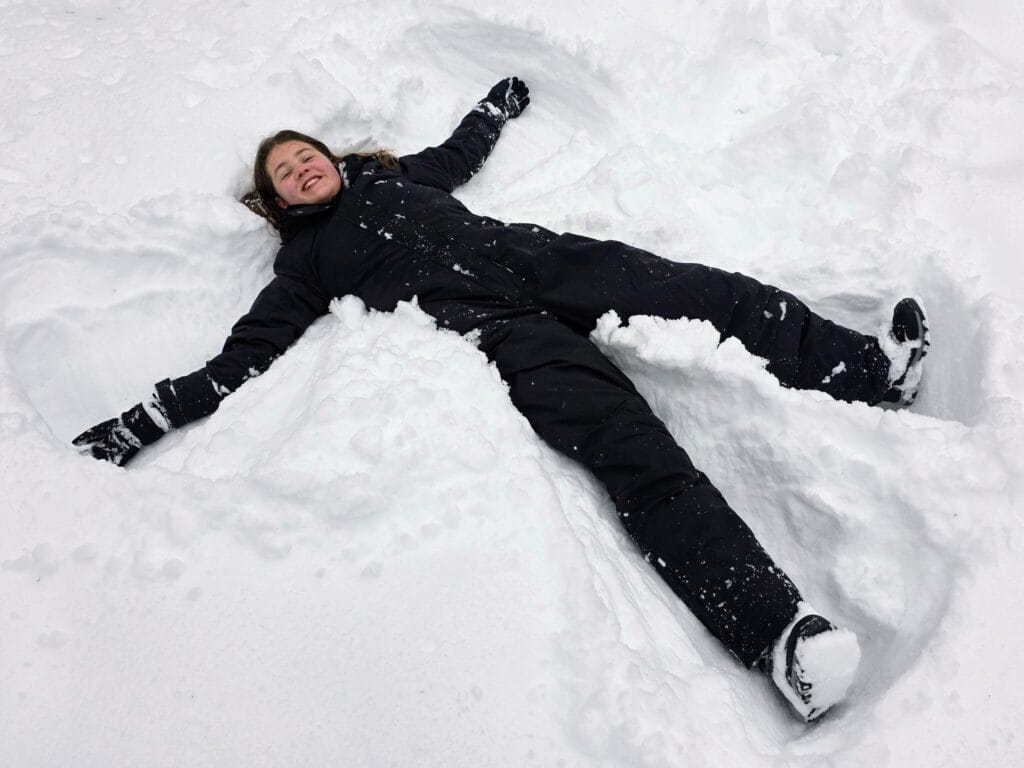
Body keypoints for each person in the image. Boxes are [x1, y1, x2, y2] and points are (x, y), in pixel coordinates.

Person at [72, 77, 929, 722]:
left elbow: (458, 155)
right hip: (501, 331)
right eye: (285, 174)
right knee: (637, 455)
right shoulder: (301, 267)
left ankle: (866, 370)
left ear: (331, 157)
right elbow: (242, 358)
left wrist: (492, 109)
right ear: (275, 201)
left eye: (305, 155)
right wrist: (147, 419)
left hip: (541, 259)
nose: (302, 170)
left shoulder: (399, 178)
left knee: (707, 291)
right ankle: (779, 637)